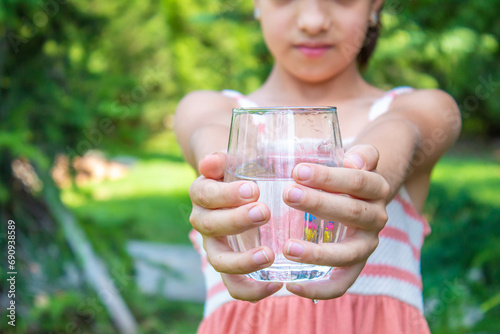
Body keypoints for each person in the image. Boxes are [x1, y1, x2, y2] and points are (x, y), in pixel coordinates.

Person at [174, 0, 461, 333]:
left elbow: (399, 133)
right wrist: (223, 184)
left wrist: (364, 183)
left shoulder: (421, 108)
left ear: (374, 6)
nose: (313, 21)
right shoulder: (208, 108)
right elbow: (219, 139)